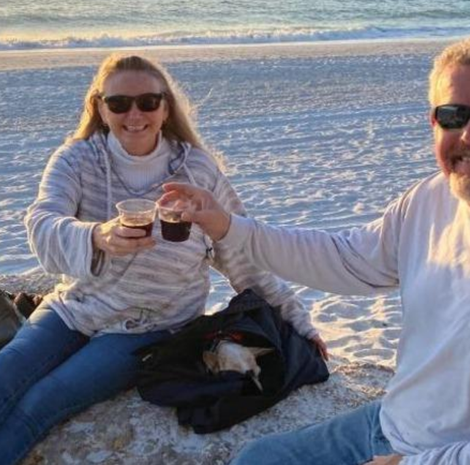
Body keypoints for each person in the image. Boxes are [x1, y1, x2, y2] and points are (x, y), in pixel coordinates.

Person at [160, 36, 470, 464]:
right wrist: (229, 227)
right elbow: (346, 259)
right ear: (434, 123)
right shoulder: (432, 198)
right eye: (453, 116)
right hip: (393, 426)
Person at [0, 54, 326, 465]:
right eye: (119, 103)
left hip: (150, 326)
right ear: (100, 107)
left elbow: (239, 250)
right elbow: (41, 221)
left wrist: (297, 319)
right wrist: (97, 236)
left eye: (148, 102)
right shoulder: (77, 159)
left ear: (165, 108)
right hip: (76, 307)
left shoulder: (197, 170)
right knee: (6, 371)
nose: (134, 114)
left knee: (41, 402)